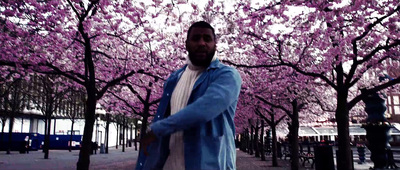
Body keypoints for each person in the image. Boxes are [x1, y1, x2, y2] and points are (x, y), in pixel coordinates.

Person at [135, 21, 242, 170]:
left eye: (207, 39)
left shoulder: (227, 76)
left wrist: (157, 129)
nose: (202, 43)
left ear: (215, 44)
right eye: (196, 38)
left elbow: (204, 109)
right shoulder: (174, 79)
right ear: (186, 44)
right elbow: (163, 116)